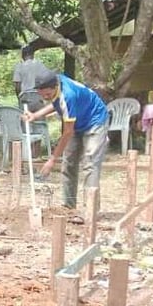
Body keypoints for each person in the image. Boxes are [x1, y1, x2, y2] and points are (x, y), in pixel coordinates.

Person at [23, 70, 109, 210]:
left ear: (55, 87)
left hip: (95, 120)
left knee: (90, 164)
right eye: (42, 94)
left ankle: (90, 211)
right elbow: (57, 103)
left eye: (48, 94)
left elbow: (68, 131)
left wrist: (52, 159)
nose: (45, 97)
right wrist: (35, 115)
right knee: (68, 164)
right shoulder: (55, 82)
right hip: (77, 119)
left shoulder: (68, 95)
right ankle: (69, 207)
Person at [13, 46, 50, 114]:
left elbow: (17, 85)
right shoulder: (40, 65)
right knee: (39, 121)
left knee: (26, 121)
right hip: (38, 96)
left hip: (25, 97)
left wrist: (19, 97)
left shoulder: (19, 66)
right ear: (33, 55)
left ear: (22, 56)